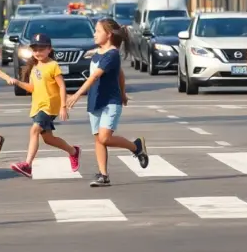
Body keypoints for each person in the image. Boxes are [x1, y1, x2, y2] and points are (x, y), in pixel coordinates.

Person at [67, 18, 149, 187]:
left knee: (104, 138)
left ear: (109, 34)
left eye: (97, 31)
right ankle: (103, 175)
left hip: (110, 102)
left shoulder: (112, 54)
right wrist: (124, 92)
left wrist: (77, 94)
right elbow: (120, 75)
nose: (94, 34)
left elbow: (95, 76)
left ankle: (136, 146)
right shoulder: (100, 52)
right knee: (98, 139)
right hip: (95, 100)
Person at [10, 33, 81, 178]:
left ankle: (28, 165)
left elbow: (62, 86)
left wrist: (63, 106)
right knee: (48, 139)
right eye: (35, 50)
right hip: (37, 106)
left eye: (41, 49)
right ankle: (73, 151)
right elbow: (32, 88)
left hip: (49, 106)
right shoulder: (35, 66)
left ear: (49, 49)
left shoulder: (53, 65)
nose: (38, 52)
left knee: (34, 130)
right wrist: (18, 82)